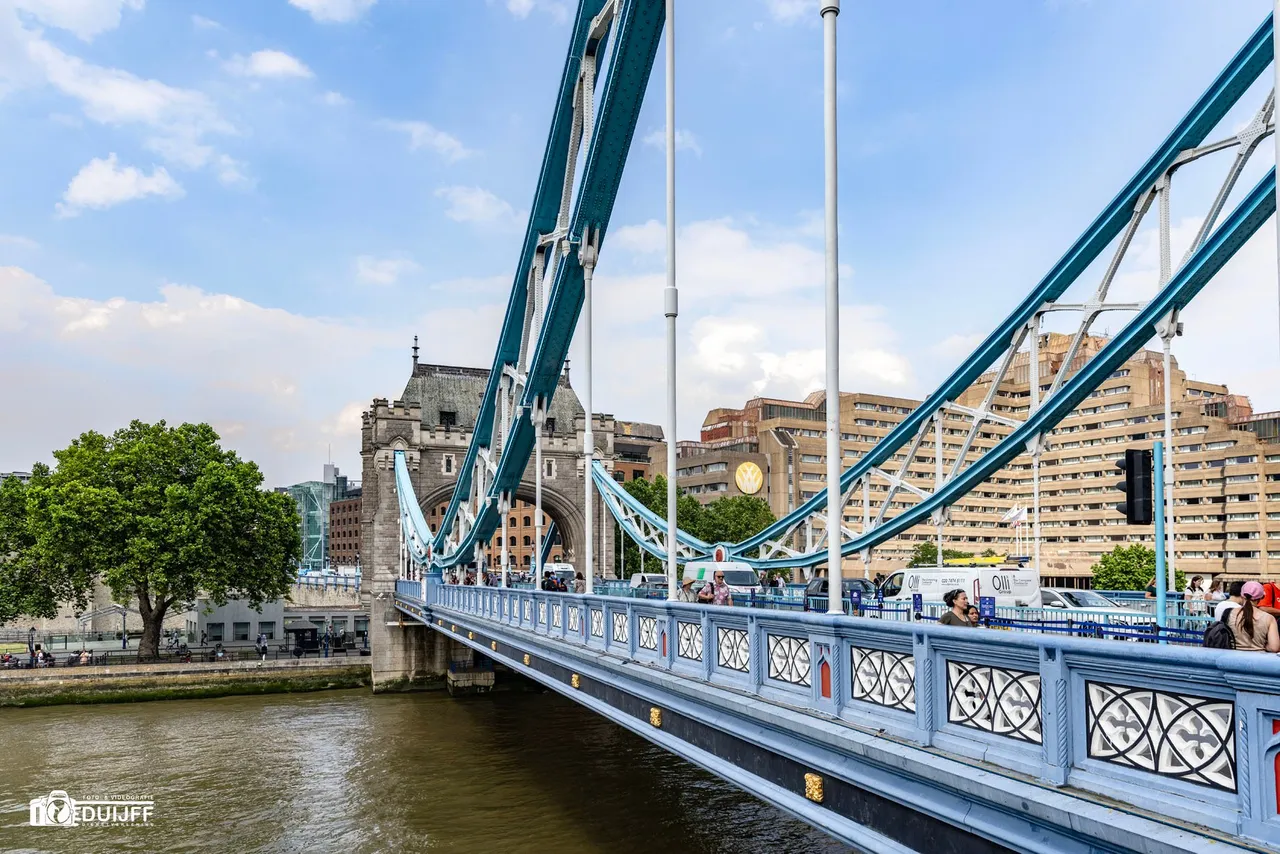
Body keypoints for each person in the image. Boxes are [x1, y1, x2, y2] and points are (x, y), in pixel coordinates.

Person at [1227, 581, 1280, 652]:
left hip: (1232, 658)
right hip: (1259, 659)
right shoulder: (1269, 618)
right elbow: (1274, 647)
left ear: (1242, 595)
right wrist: (1263, 645)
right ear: (1262, 597)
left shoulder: (1229, 613)